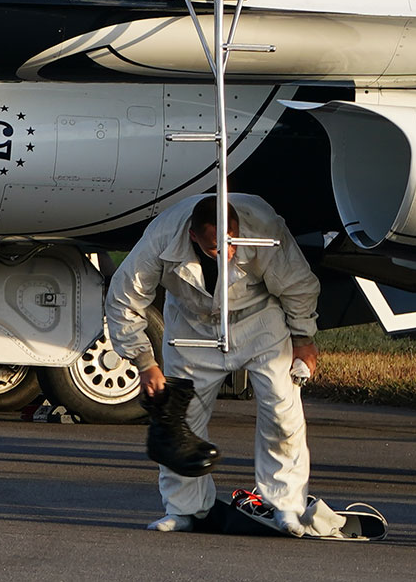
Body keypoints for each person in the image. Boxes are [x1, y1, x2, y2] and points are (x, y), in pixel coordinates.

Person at [105, 192, 324, 533]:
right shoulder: (162, 237)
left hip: (258, 320)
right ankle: (183, 509)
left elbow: (298, 284)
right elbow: (124, 298)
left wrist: (303, 338)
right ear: (193, 236)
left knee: (282, 409)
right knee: (180, 420)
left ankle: (285, 506)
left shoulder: (263, 223)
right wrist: (144, 361)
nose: (227, 253)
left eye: (233, 243)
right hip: (193, 325)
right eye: (215, 248)